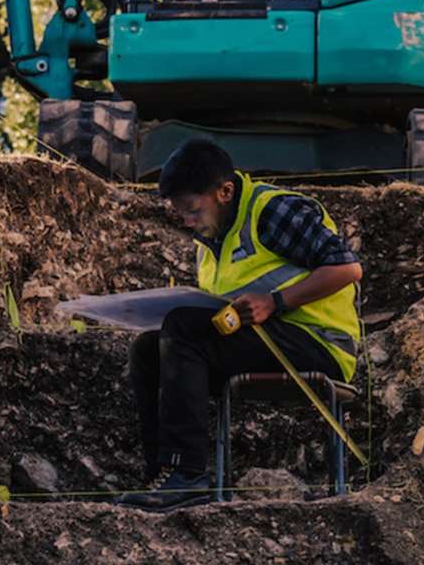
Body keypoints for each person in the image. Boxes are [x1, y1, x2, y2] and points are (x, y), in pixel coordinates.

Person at [117, 139, 362, 511]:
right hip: (263, 342)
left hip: (318, 343)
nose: (187, 221)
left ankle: (188, 476)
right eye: (180, 213)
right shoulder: (210, 241)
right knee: (148, 350)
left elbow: (347, 269)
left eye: (192, 210)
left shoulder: (272, 211)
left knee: (183, 328)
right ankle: (165, 477)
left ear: (225, 191)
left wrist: (275, 302)